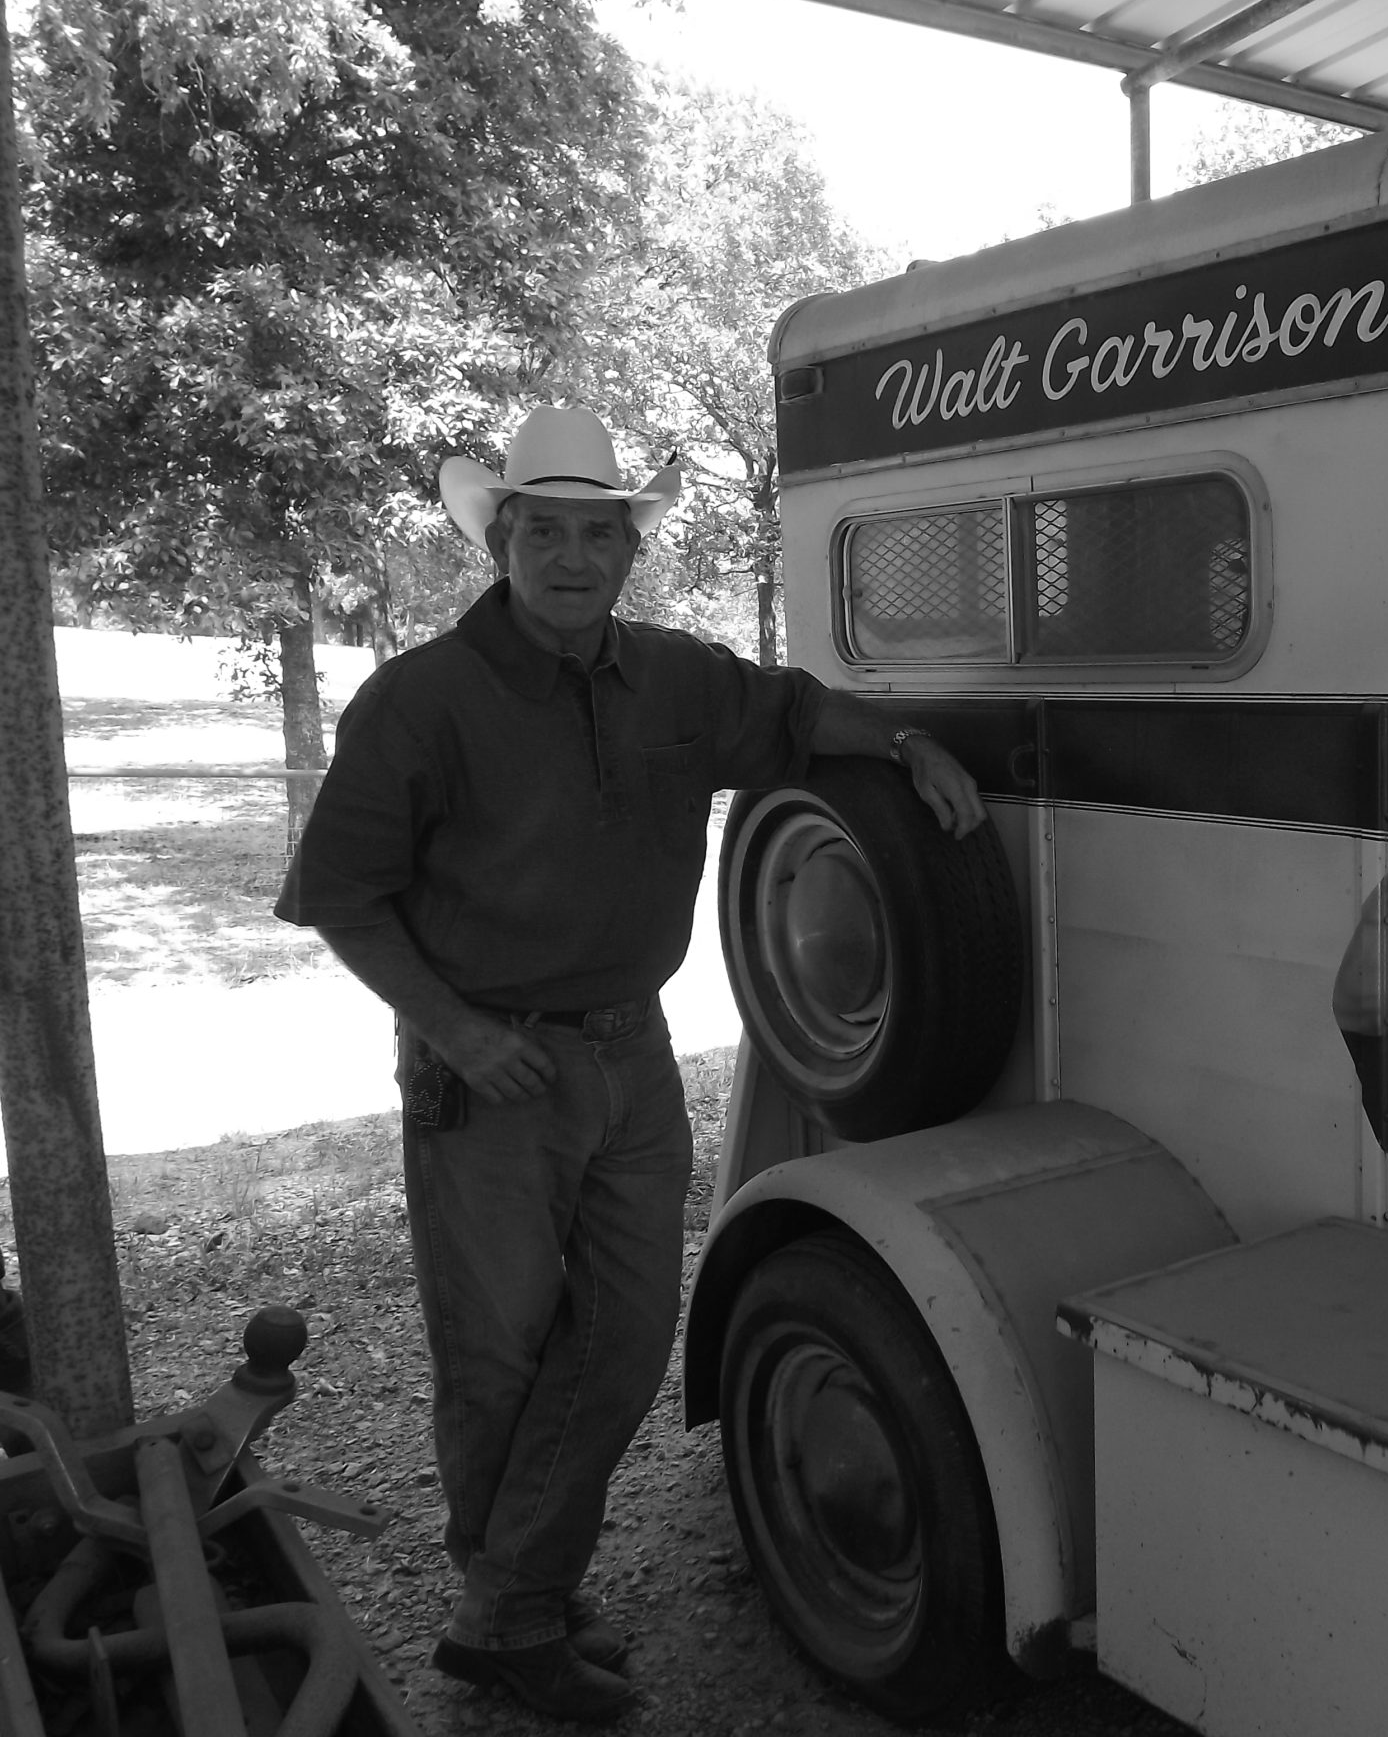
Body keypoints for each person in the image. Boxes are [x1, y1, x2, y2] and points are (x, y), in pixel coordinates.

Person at [275, 406, 984, 1722]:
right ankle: (517, 1610)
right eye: (546, 531)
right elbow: (344, 896)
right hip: (485, 1076)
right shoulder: (422, 700)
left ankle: (513, 1598)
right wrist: (459, 1032)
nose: (573, 557)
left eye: (599, 534)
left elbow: (792, 713)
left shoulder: (669, 678)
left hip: (631, 1059)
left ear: (626, 550)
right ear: (505, 541)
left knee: (622, 1335)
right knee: (497, 1355)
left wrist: (906, 743)